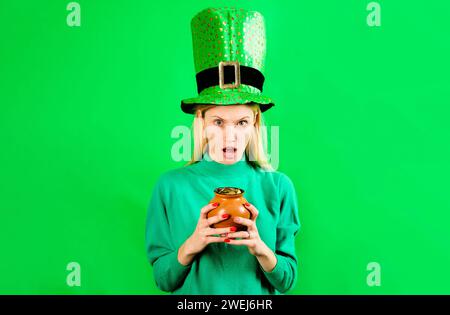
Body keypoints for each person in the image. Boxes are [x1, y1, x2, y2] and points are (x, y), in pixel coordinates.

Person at [145, 7, 301, 295]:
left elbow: (287, 280)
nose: (230, 136)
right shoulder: (170, 187)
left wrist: (260, 248)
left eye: (241, 122)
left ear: (255, 122)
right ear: (201, 122)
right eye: (218, 121)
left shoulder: (278, 187)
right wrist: (192, 244)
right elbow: (164, 281)